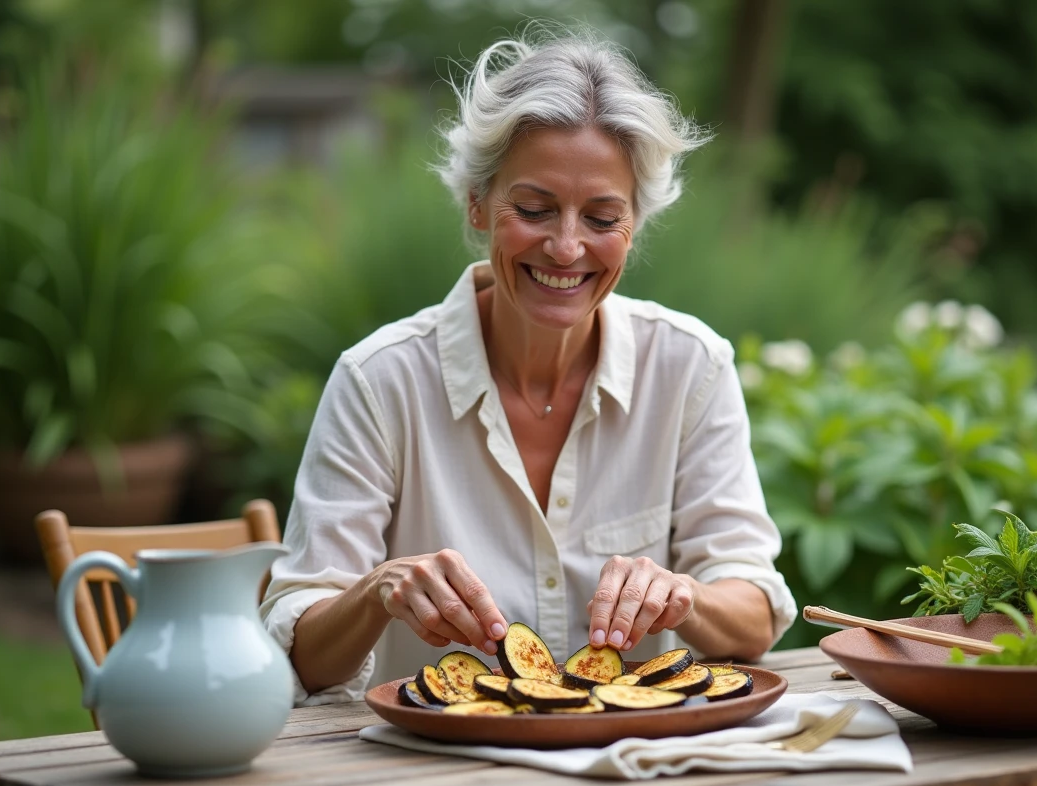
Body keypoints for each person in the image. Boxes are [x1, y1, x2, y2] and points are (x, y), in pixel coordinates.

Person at [260, 28, 797, 705]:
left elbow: (755, 617)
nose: (567, 247)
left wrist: (684, 595)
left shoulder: (692, 368)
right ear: (478, 203)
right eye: (535, 209)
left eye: (602, 217)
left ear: (637, 225)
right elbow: (301, 655)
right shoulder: (379, 381)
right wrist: (378, 591)